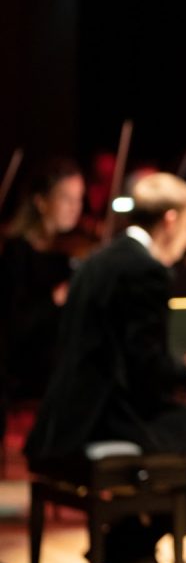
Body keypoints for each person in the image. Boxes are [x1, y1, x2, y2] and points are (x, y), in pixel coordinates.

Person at [24, 173, 186, 563]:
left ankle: (128, 545)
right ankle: (128, 544)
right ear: (169, 219)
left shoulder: (99, 258)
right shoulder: (145, 270)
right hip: (108, 416)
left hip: (66, 413)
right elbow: (148, 371)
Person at [0, 158, 84, 403]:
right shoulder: (17, 253)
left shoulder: (71, 249)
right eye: (66, 198)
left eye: (79, 198)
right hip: (29, 367)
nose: (75, 208)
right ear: (41, 202)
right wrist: (54, 299)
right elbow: (13, 325)